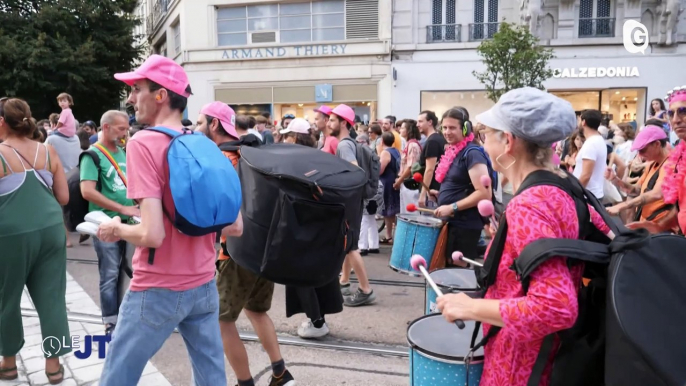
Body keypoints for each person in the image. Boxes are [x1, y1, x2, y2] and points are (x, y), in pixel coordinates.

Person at [438, 87, 612, 385]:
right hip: (553, 355)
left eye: (486, 134)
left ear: (508, 140)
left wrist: (469, 307)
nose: (484, 143)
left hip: (523, 363)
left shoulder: (530, 204)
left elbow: (555, 307)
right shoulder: (564, 185)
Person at [97, 55, 242, 385]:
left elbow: (152, 234)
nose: (131, 98)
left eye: (137, 89)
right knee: (210, 377)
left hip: (158, 287)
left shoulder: (143, 144)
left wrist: (116, 227)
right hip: (204, 285)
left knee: (117, 376)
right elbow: (235, 226)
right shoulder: (202, 143)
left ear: (160, 94)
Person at [197, 102, 295, 386]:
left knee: (221, 321)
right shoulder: (253, 154)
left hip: (235, 252)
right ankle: (280, 373)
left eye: (202, 122)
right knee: (256, 310)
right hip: (264, 248)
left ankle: (244, 382)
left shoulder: (220, 160)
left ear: (215, 124)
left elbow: (213, 209)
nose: (198, 127)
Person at [0, 98, 71, 384]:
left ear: (2, 122)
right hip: (52, 230)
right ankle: (53, 367)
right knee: (52, 298)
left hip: (11, 235)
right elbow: (64, 198)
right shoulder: (48, 150)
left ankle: (8, 364)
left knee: (6, 298)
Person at [282, 118, 345, 339]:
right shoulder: (319, 157)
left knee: (301, 275)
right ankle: (318, 318)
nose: (283, 139)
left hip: (302, 225)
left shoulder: (295, 161)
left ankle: (316, 320)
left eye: (287, 135)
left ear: (295, 138)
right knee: (318, 274)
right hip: (319, 225)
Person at [79, 110, 138, 335]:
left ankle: (123, 316)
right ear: (106, 128)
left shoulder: (123, 152)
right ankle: (110, 321)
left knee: (127, 271)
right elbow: (87, 191)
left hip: (128, 223)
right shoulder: (92, 155)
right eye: (121, 129)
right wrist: (122, 207)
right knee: (110, 273)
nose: (126, 133)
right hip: (105, 223)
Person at [431, 108, 491, 265]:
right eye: (444, 127)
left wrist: (452, 207)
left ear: (465, 128)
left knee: (456, 275)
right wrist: (441, 194)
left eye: (452, 128)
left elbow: (484, 193)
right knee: (445, 271)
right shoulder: (455, 151)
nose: (447, 132)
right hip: (453, 223)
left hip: (464, 225)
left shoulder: (472, 153)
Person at [330, 104, 376, 306]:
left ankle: (366, 290)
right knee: (348, 243)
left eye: (332, 120)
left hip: (349, 201)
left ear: (343, 123)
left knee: (351, 246)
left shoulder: (344, 145)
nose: (329, 123)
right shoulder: (351, 143)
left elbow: (355, 172)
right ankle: (344, 281)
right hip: (354, 200)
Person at [606, 125, 674, 230]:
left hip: (662, 227)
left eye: (643, 150)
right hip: (648, 223)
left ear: (657, 144)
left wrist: (621, 206)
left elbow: (656, 194)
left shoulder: (671, 164)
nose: (640, 155)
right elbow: (636, 189)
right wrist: (616, 180)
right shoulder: (652, 164)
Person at [643, 86, 686, 234]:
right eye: (671, 113)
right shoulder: (680, 153)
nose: (676, 120)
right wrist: (660, 225)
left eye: (683, 112)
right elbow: (681, 204)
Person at [573, 109, 607, 201]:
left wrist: (574, 193)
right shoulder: (597, 140)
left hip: (587, 196)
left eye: (579, 120)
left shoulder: (591, 143)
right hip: (591, 194)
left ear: (584, 122)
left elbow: (586, 175)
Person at [417, 110, 446, 209]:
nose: (417, 125)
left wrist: (423, 194)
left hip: (432, 191)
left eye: (420, 121)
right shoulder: (437, 138)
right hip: (436, 189)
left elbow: (429, 169)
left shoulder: (433, 141)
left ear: (430, 122)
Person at [395, 119, 422, 214]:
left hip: (410, 183)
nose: (400, 130)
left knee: (410, 213)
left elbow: (411, 167)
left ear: (408, 130)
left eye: (402, 128)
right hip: (406, 182)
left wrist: (399, 180)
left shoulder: (413, 145)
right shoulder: (409, 144)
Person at [378, 132, 400, 243]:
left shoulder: (385, 153)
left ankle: (389, 236)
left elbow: (380, 169)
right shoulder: (396, 151)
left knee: (388, 210)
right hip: (395, 180)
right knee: (394, 210)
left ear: (382, 141)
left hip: (387, 182)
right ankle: (394, 235)